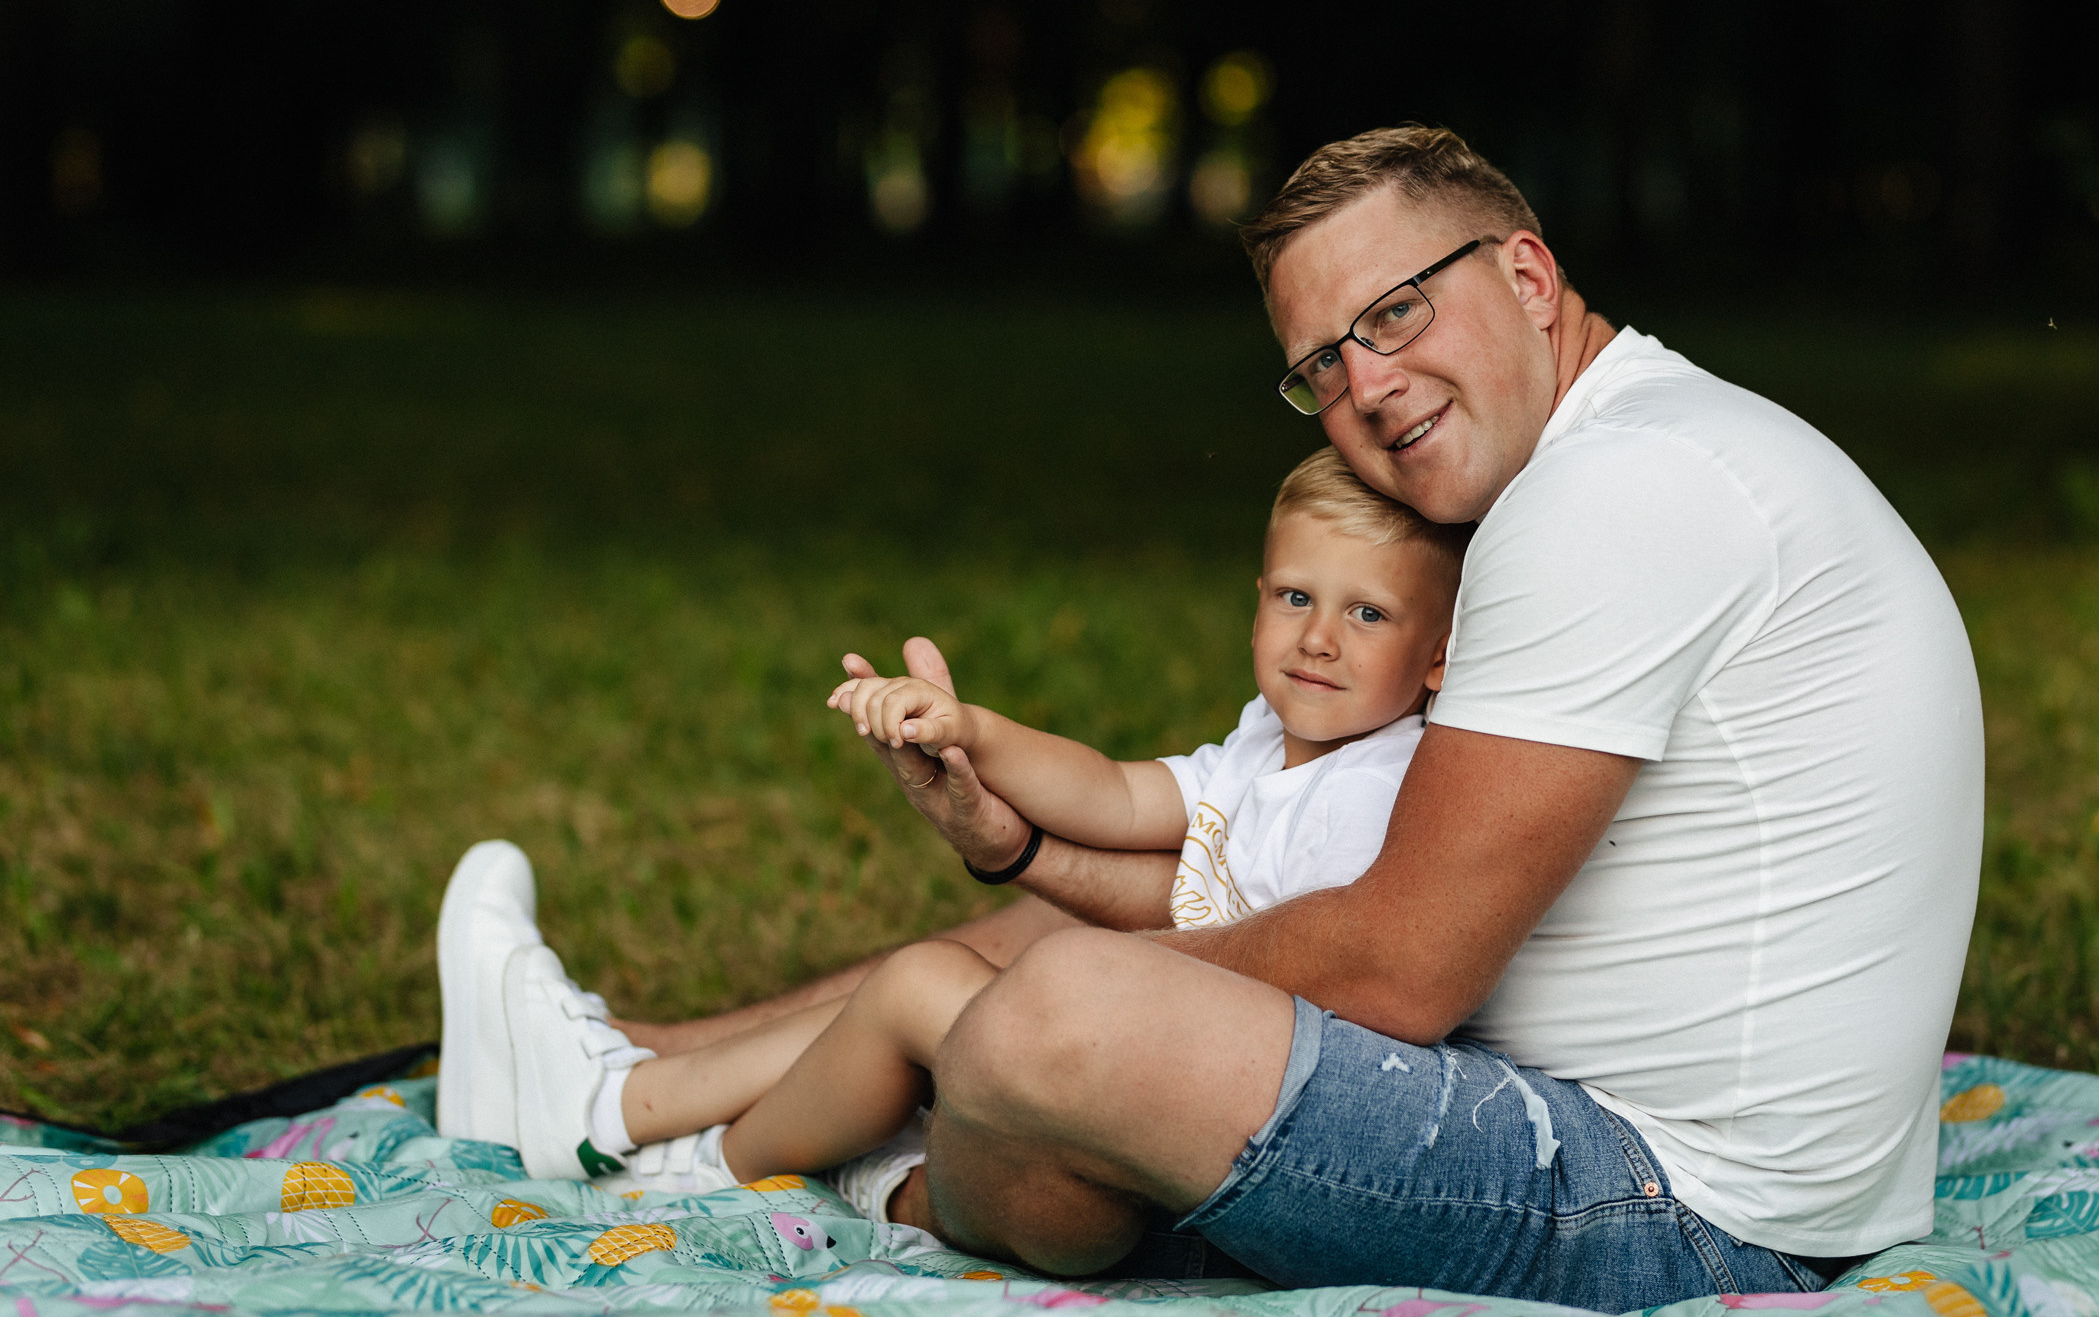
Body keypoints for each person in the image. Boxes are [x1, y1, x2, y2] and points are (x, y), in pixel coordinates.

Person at [643, 125, 1984, 1313]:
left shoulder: (1612, 493)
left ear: (1527, 276)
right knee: (1127, 927)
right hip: (1674, 1158)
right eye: (1321, 367)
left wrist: (1025, 1012)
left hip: (1687, 1219)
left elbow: (1402, 969)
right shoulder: (1643, 449)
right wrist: (1022, 857)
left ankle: (897, 1165)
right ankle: (655, 1068)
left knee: (1060, 1018)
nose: (1368, 386)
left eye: (1395, 315)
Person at [437, 448, 1471, 1217]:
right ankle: (648, 1109)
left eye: (1368, 614)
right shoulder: (1272, 746)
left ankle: (643, 1124)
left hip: (1229, 1106)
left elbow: (1293, 973)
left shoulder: (1377, 787)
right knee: (949, 975)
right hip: (1173, 1052)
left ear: (1438, 656)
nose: (1319, 638)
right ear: (1256, 605)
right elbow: (1114, 794)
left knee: (930, 985)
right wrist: (972, 731)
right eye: (1296, 596)